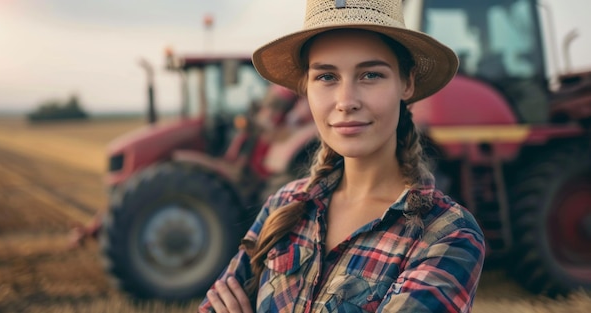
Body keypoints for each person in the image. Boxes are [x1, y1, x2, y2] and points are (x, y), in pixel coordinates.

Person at [199, 0, 485, 312]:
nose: (346, 101)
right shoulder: (284, 206)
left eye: (371, 75)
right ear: (306, 86)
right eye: (326, 77)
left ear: (407, 83)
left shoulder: (446, 234)